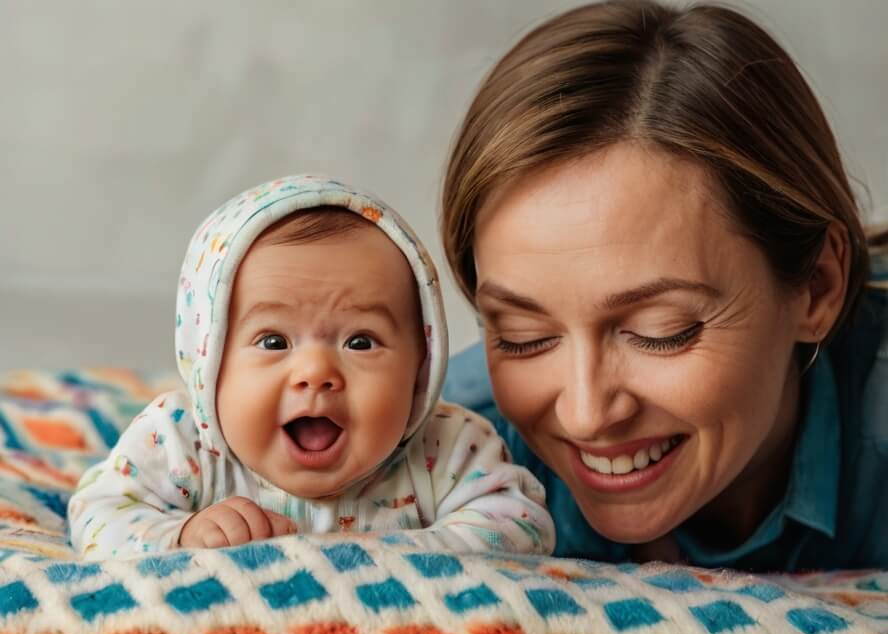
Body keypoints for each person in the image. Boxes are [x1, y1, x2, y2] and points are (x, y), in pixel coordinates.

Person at [440, 0, 888, 571]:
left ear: (817, 287)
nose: (585, 414)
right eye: (522, 336)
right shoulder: (441, 454)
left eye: (662, 331)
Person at [68, 176, 554, 559]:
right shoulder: (180, 442)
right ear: (207, 362)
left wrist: (395, 556)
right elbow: (99, 516)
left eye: (360, 342)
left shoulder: (445, 447)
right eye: (273, 342)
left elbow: (520, 527)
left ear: (420, 367)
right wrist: (182, 536)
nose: (316, 372)